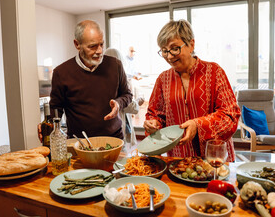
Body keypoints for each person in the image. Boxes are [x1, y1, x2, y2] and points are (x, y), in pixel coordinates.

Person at [143, 20, 240, 162]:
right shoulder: (163, 79)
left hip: (214, 159)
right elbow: (155, 114)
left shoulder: (214, 72)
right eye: (164, 50)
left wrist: (198, 125)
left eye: (175, 48)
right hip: (179, 160)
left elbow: (230, 116)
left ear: (191, 44)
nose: (169, 56)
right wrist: (153, 124)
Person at [49, 20, 132, 139]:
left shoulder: (115, 65)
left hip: (114, 138)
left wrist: (118, 103)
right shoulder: (61, 73)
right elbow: (55, 109)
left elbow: (127, 94)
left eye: (101, 44)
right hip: (79, 143)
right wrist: (48, 126)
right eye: (92, 46)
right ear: (77, 44)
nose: (99, 51)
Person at [104, 48, 145, 153]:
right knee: (120, 156)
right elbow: (128, 106)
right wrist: (138, 102)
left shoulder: (100, 79)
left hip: (106, 129)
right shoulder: (120, 79)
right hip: (117, 127)